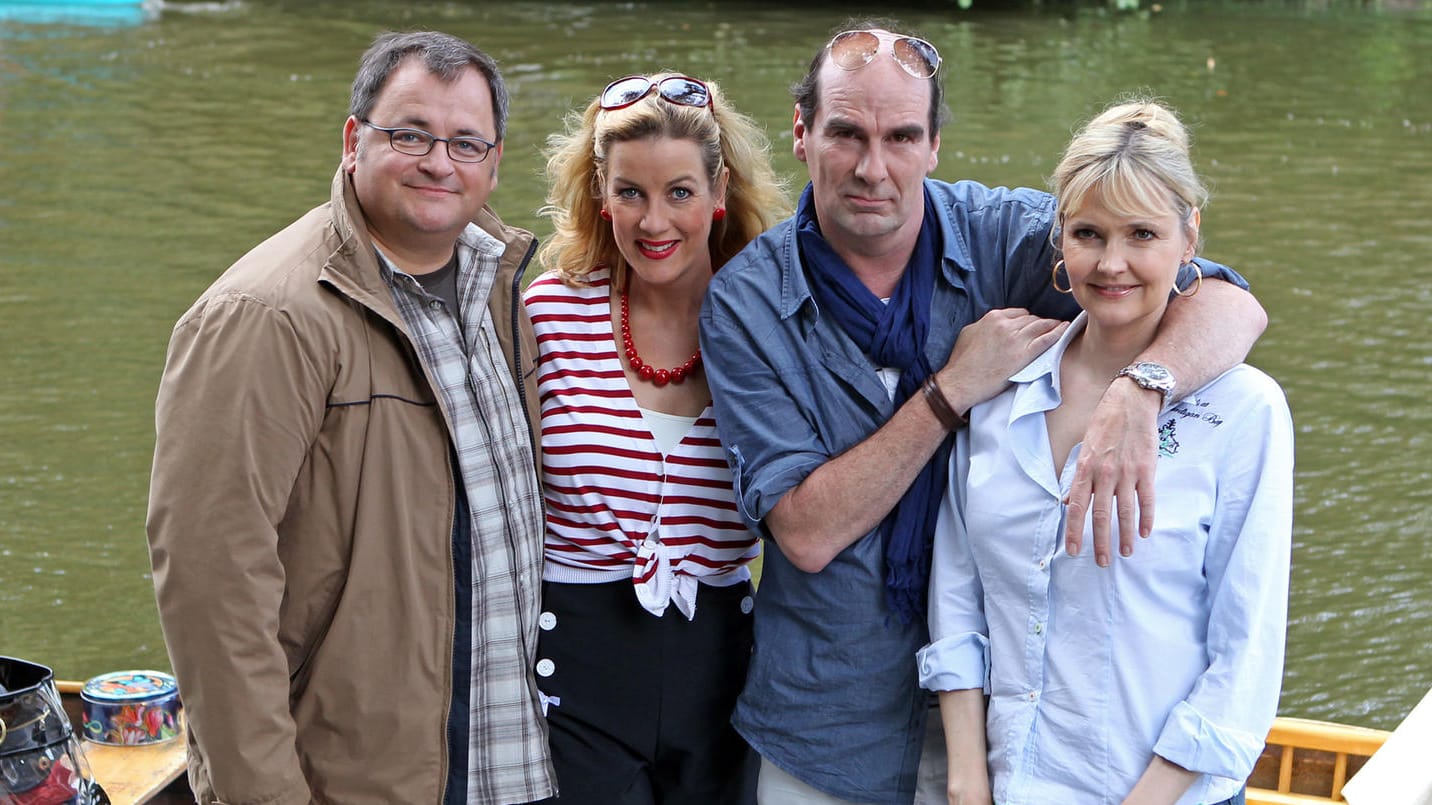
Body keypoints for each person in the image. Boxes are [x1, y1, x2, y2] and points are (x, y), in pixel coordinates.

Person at [699, 20, 1270, 805]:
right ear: (801, 132)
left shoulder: (1003, 234)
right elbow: (804, 531)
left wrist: (1144, 388)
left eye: (902, 135)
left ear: (934, 144)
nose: (874, 167)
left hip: (1020, 739)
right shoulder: (745, 302)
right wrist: (949, 392)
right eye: (846, 133)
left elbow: (1221, 299)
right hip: (830, 727)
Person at [145, 31, 554, 805]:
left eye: (467, 141)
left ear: (495, 161)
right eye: (410, 134)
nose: (440, 161)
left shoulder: (503, 295)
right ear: (352, 139)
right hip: (352, 781)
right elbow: (211, 585)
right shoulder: (264, 314)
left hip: (507, 768)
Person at [919, 98, 1292, 805]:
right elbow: (959, 600)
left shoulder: (1245, 413)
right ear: (1059, 238)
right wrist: (969, 784)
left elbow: (1245, 654)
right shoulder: (1001, 394)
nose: (1111, 262)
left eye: (1141, 234)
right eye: (1088, 233)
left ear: (1189, 240)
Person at [523, 72, 787, 803]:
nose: (653, 222)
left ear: (718, 190)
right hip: (576, 666)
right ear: (600, 194)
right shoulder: (548, 313)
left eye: (679, 192)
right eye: (629, 192)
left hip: (721, 673)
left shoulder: (771, 322)